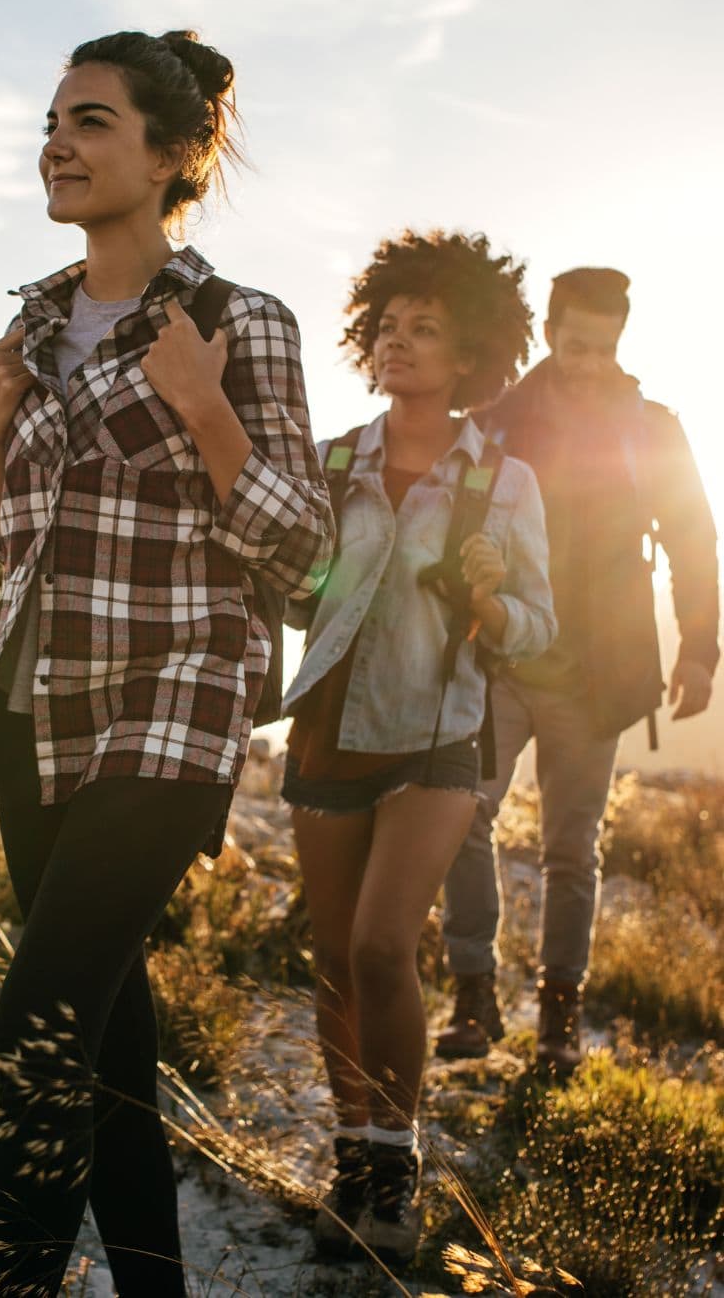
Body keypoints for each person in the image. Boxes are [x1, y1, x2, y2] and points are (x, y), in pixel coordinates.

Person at [0, 30, 333, 1297]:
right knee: (104, 1030)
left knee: (39, 1010)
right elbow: (25, 548)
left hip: (177, 698)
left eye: (93, 120)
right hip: (36, 703)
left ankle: (11, 1281)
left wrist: (208, 410)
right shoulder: (33, 324)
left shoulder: (238, 321)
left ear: (172, 156)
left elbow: (308, 553)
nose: (57, 141)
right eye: (53, 118)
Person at [281, 230, 556, 1268]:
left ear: (471, 356)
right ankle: (350, 1157)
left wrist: (491, 603)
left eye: (425, 330)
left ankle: (395, 1177)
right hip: (328, 730)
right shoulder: (334, 462)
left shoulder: (505, 482)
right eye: (389, 327)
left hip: (439, 735)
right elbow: (297, 589)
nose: (399, 343)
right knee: (330, 960)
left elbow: (541, 623)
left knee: (382, 947)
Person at [437, 267, 720, 1072]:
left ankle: (559, 1016)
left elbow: (696, 540)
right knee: (462, 817)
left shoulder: (653, 429)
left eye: (603, 347)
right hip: (497, 657)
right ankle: (472, 992)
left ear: (620, 340)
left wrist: (699, 651)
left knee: (571, 849)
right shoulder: (497, 420)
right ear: (552, 331)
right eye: (574, 343)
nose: (588, 360)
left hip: (603, 673)